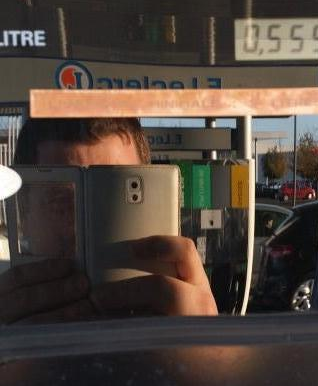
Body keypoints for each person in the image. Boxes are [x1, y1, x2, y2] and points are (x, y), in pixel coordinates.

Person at [0, 117, 218, 324]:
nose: (91, 230)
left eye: (114, 205)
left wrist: (203, 339)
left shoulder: (182, 317)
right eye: (60, 203)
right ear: (22, 211)